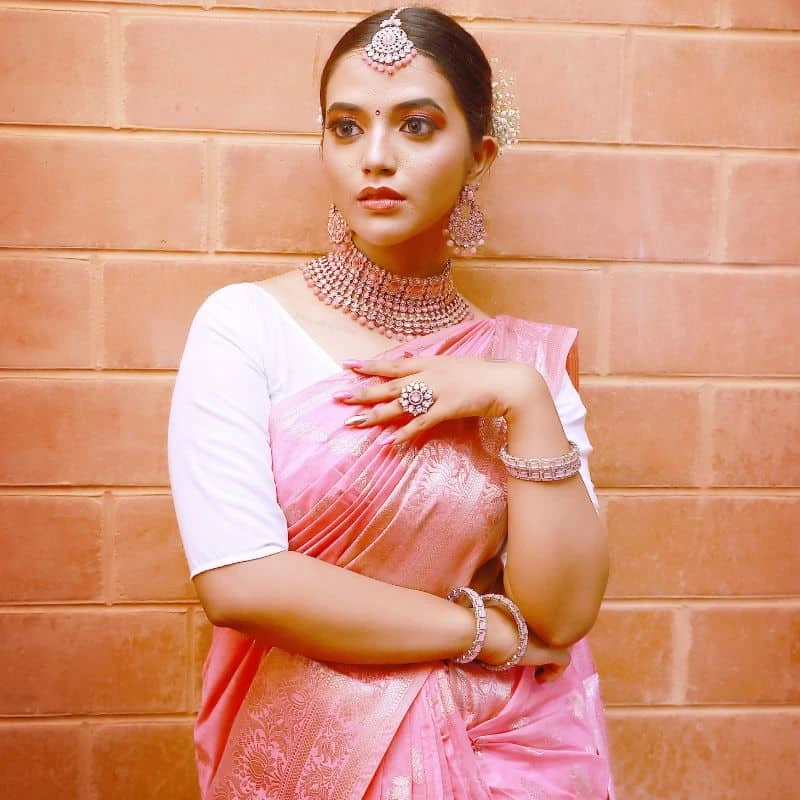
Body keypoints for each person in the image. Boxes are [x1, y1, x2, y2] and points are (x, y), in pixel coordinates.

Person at [168, 7, 614, 798]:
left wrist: (518, 395)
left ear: (477, 156)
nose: (375, 157)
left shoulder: (520, 367)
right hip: (306, 754)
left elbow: (563, 617)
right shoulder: (245, 326)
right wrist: (480, 631)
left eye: (415, 125)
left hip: (497, 757)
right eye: (346, 127)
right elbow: (241, 584)